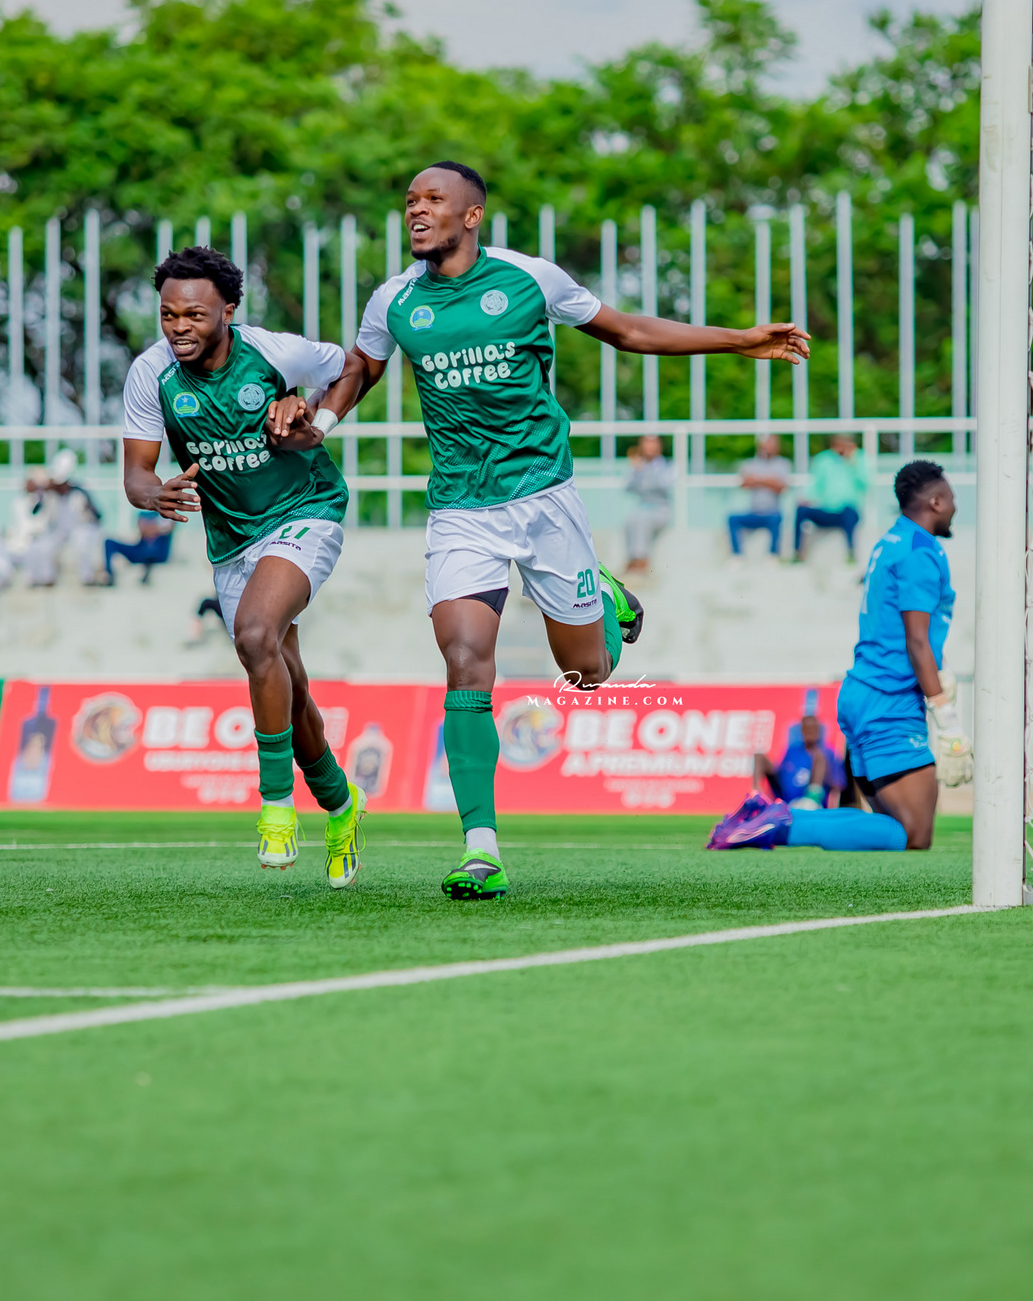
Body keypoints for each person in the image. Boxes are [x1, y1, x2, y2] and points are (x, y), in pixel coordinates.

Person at [312, 161, 808, 899]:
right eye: (410, 201)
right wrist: (319, 420)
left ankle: (604, 597)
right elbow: (362, 367)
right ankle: (481, 849)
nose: (416, 210)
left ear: (471, 215)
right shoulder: (394, 300)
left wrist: (737, 340)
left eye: (434, 200)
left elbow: (627, 329)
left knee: (587, 675)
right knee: (465, 662)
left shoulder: (529, 279)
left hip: (545, 501)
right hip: (461, 510)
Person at [122, 245, 369, 888]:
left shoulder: (274, 353)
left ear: (228, 311)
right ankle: (342, 804)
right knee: (288, 684)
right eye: (168, 314)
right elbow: (136, 474)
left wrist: (316, 418)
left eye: (195, 314)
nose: (179, 327)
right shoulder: (150, 374)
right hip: (231, 540)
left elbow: (352, 366)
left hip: (306, 509)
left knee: (255, 635)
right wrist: (153, 493)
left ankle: (275, 806)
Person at [713, 462, 967, 852]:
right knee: (914, 834)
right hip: (889, 697)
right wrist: (946, 719)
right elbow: (916, 639)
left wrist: (940, 669)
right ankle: (775, 823)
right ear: (935, 501)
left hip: (865, 691)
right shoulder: (921, 551)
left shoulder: (891, 541)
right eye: (950, 498)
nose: (954, 507)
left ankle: (770, 819)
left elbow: (902, 627)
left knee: (892, 826)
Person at [20, 449, 106, 587]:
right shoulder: (49, 493)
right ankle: (46, 579)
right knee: (45, 546)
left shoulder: (80, 491)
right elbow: (35, 511)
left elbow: (98, 515)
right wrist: (42, 493)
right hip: (59, 530)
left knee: (82, 545)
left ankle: (87, 578)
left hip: (79, 528)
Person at [752, 698, 849, 809]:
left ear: (818, 731)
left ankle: (811, 797)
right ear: (802, 730)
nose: (810, 733)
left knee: (819, 756)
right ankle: (756, 797)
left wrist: (825, 775)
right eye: (807, 729)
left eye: (813, 729)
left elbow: (838, 784)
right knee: (759, 756)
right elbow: (782, 775)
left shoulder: (828, 753)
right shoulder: (792, 750)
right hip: (787, 801)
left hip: (812, 804)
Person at [793, 432, 867, 563]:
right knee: (801, 511)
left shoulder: (859, 458)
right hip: (826, 510)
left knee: (849, 512)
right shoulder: (823, 460)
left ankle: (851, 553)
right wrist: (806, 498)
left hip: (847, 511)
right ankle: (797, 553)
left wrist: (852, 462)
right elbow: (815, 485)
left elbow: (865, 484)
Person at [621, 433, 673, 573]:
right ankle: (632, 558)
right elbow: (628, 488)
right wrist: (636, 471)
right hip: (643, 508)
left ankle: (640, 559)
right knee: (630, 520)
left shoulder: (667, 465)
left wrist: (645, 475)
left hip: (661, 510)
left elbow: (664, 486)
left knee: (643, 519)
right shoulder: (637, 466)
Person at [104, 509, 174, 584]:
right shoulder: (143, 512)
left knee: (151, 550)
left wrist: (148, 527)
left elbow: (169, 528)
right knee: (109, 542)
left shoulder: (168, 514)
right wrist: (155, 528)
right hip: (141, 551)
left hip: (157, 554)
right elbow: (142, 529)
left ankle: (147, 570)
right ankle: (109, 575)